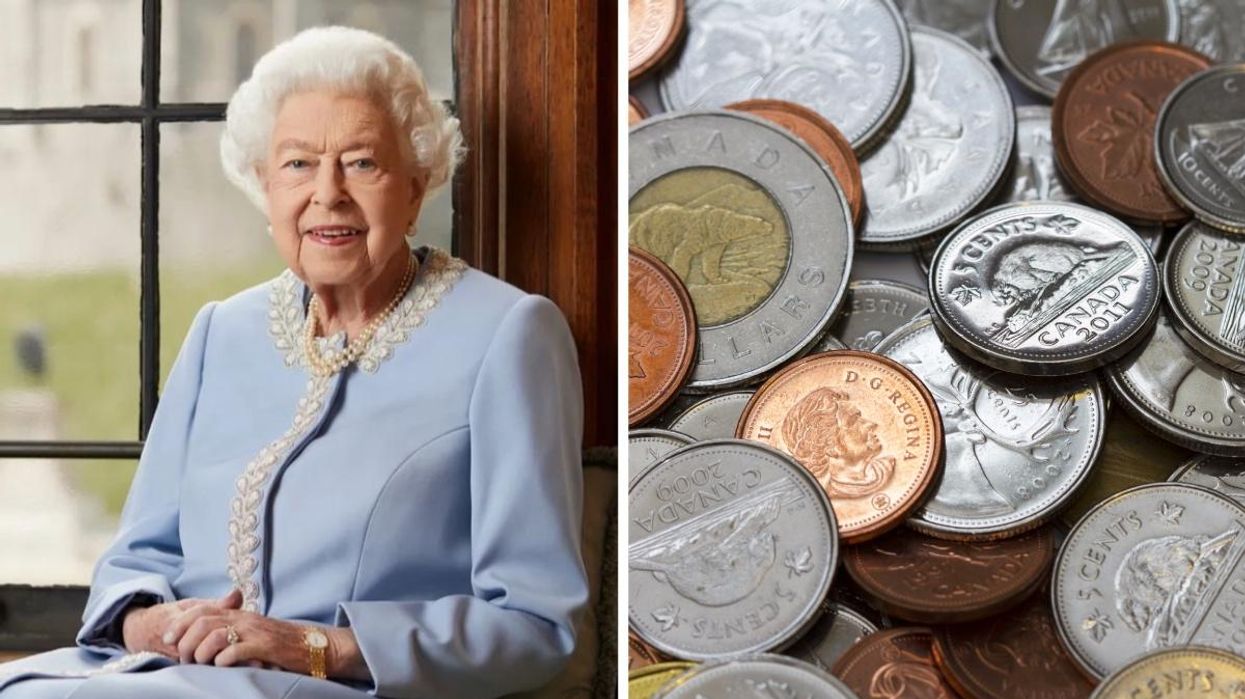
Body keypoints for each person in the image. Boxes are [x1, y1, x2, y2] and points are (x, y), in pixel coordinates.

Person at [0, 26, 587, 699]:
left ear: (417, 185)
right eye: (298, 164)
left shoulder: (507, 334)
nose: (327, 192)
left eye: (361, 162)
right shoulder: (222, 330)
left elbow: (536, 624)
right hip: (160, 677)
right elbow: (135, 557)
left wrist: (314, 646)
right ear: (265, 187)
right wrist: (148, 624)